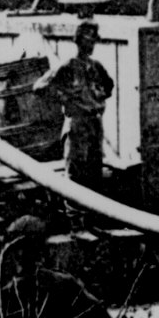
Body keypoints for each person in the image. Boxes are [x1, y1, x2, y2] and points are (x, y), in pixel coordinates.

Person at [49, 20, 114, 191]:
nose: (91, 44)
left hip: (95, 124)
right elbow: (42, 87)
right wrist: (66, 99)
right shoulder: (68, 66)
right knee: (75, 175)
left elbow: (109, 87)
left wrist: (95, 98)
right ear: (78, 41)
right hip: (77, 125)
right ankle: (73, 208)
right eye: (87, 40)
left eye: (93, 40)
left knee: (95, 175)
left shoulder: (96, 66)